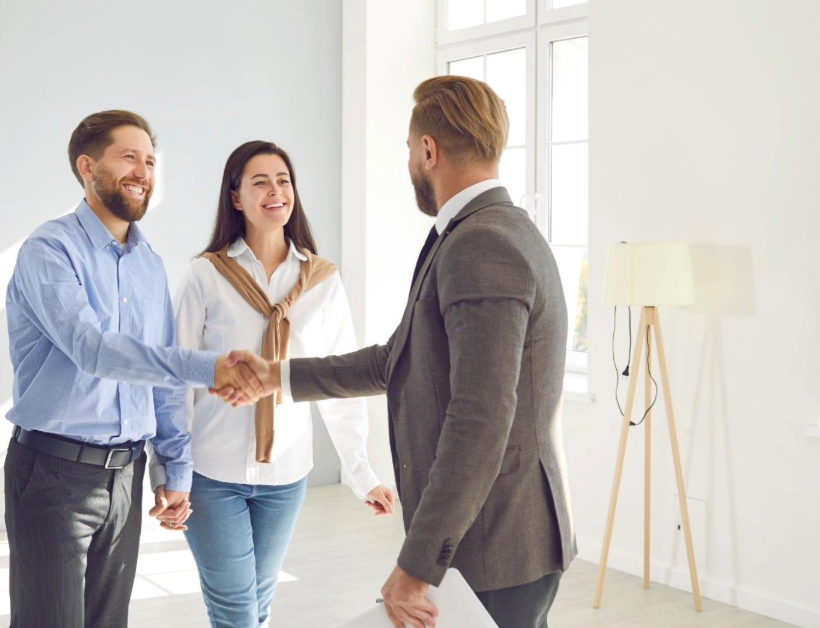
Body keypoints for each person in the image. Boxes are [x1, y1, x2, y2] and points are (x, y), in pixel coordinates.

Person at [223, 76, 577, 628]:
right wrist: (278, 375)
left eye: (411, 148)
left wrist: (418, 563)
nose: (410, 159)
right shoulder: (483, 231)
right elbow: (397, 360)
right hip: (495, 537)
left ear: (428, 150)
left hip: (495, 544)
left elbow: (480, 418)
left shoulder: (481, 243)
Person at [3, 110, 260, 628]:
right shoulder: (49, 250)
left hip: (126, 475)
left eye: (149, 160)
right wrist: (210, 368)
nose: (143, 170)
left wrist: (174, 468)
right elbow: (92, 350)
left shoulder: (148, 264)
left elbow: (160, 378)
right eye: (128, 157)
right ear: (87, 167)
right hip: (53, 474)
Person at [146, 140, 396, 628]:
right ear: (236, 198)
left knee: (257, 608)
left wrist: (360, 471)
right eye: (259, 181)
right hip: (212, 473)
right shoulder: (206, 275)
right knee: (237, 613)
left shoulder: (321, 281)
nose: (275, 190)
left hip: (287, 475)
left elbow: (337, 377)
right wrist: (168, 475)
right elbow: (174, 381)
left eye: (283, 180)